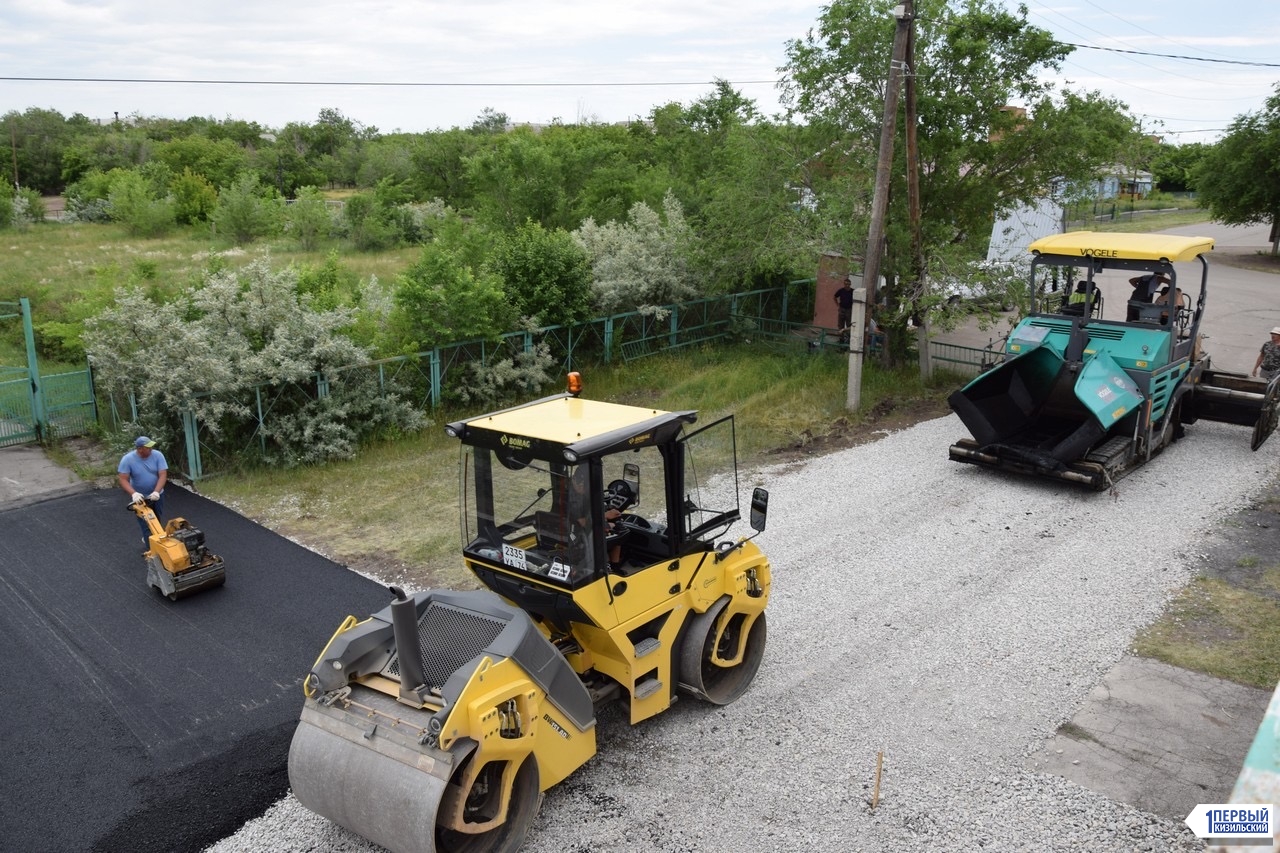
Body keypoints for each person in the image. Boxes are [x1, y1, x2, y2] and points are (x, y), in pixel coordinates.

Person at [118, 435, 168, 548]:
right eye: (148, 447)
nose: (151, 449)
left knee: (157, 522)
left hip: (157, 495)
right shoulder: (128, 459)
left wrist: (156, 491)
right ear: (140, 449)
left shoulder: (158, 455)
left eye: (151, 447)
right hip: (140, 498)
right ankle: (152, 551)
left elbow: (163, 474)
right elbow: (123, 479)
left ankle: (158, 544)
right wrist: (134, 493)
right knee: (146, 525)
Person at [834, 277, 855, 342]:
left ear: (850, 284)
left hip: (849, 309)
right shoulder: (841, 290)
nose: (847, 285)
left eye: (848, 284)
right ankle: (841, 339)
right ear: (844, 284)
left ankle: (849, 339)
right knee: (840, 324)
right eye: (846, 284)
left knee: (849, 324)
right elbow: (834, 297)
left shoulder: (853, 291)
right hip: (842, 309)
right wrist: (837, 304)